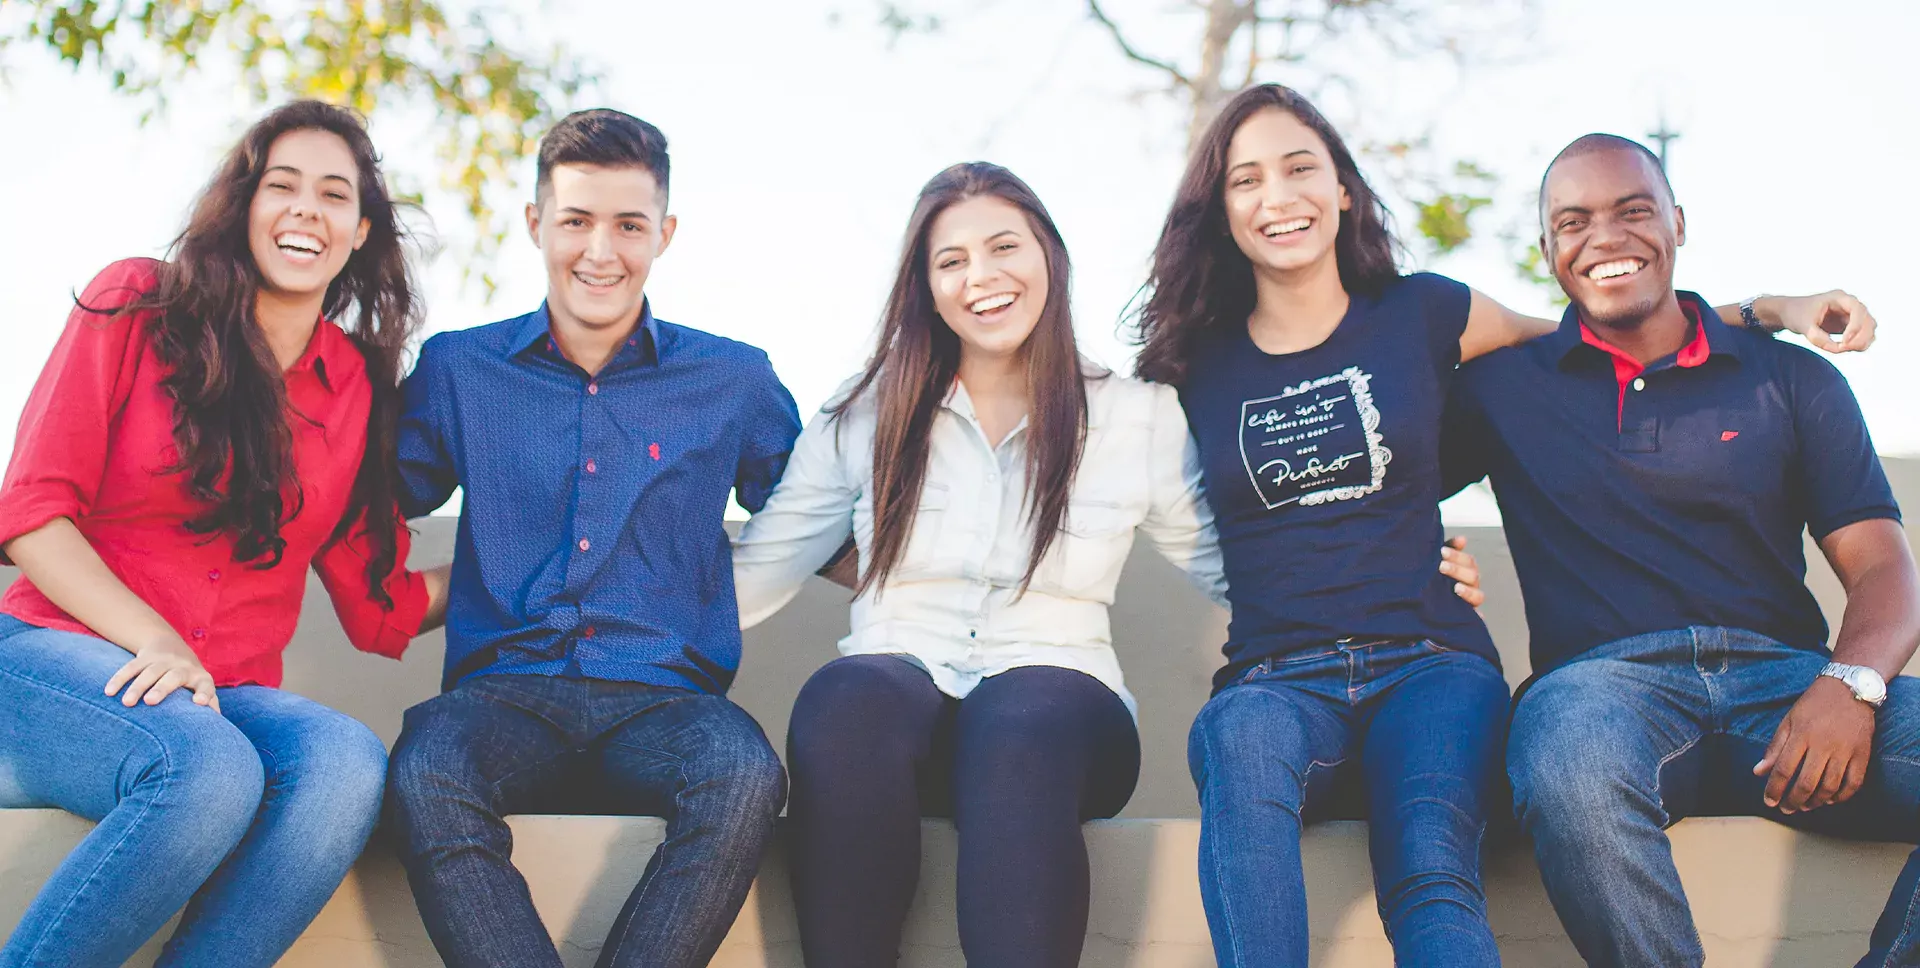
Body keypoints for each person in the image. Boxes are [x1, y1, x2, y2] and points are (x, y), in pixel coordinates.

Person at [1129, 83, 1874, 968]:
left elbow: (1596, 334)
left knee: (1431, 867)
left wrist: (1768, 311)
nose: (1277, 195)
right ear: (1220, 207)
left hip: (1431, 663)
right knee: (1237, 748)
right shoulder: (1188, 366)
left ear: (1343, 191)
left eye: (1301, 167)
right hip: (1276, 674)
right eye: (1246, 179)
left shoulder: (1428, 312)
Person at [728, 161, 1486, 967]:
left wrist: (1405, 570)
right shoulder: (866, 411)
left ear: (1049, 257)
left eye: (1003, 247)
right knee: (844, 700)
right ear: (926, 285)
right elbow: (767, 561)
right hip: (898, 702)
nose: (981, 277)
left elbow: (1249, 566)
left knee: (1019, 718)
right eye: (951, 261)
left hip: (1059, 706)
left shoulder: (1134, 417)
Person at [1443, 133, 1919, 968]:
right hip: (1601, 694)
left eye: (1634, 211)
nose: (1607, 238)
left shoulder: (1792, 379)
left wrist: (1853, 683)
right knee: (1568, 767)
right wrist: (1425, 559)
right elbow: (1365, 476)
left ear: (1678, 224)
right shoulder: (1504, 388)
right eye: (1574, 221)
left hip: (1789, 685)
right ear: (1548, 249)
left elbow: (1882, 564)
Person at [0, 100, 449, 968]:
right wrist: (157, 641)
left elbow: (378, 605)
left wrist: (523, 569)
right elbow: (31, 515)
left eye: (332, 195)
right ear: (244, 206)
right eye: (282, 186)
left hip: (218, 692)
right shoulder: (136, 302)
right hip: (50, 653)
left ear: (359, 231)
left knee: (345, 766)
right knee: (210, 772)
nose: (305, 210)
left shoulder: (351, 384)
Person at [382, 108, 802, 968]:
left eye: (628, 225)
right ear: (537, 223)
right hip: (504, 694)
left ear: (665, 233)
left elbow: (815, 513)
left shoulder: (734, 378)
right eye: (575, 220)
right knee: (425, 769)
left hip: (666, 700)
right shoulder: (461, 369)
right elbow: (363, 501)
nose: (599, 250)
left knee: (746, 775)